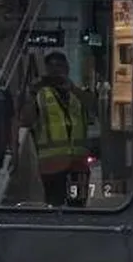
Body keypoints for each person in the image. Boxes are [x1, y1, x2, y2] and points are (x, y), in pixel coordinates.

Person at [19, 51, 92, 207]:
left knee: (79, 206)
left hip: (78, 165)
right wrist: (32, 93)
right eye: (51, 67)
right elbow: (26, 120)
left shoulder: (77, 94)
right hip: (51, 166)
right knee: (54, 206)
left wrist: (72, 88)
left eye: (59, 66)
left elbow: (95, 107)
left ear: (67, 69)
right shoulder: (40, 95)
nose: (56, 71)